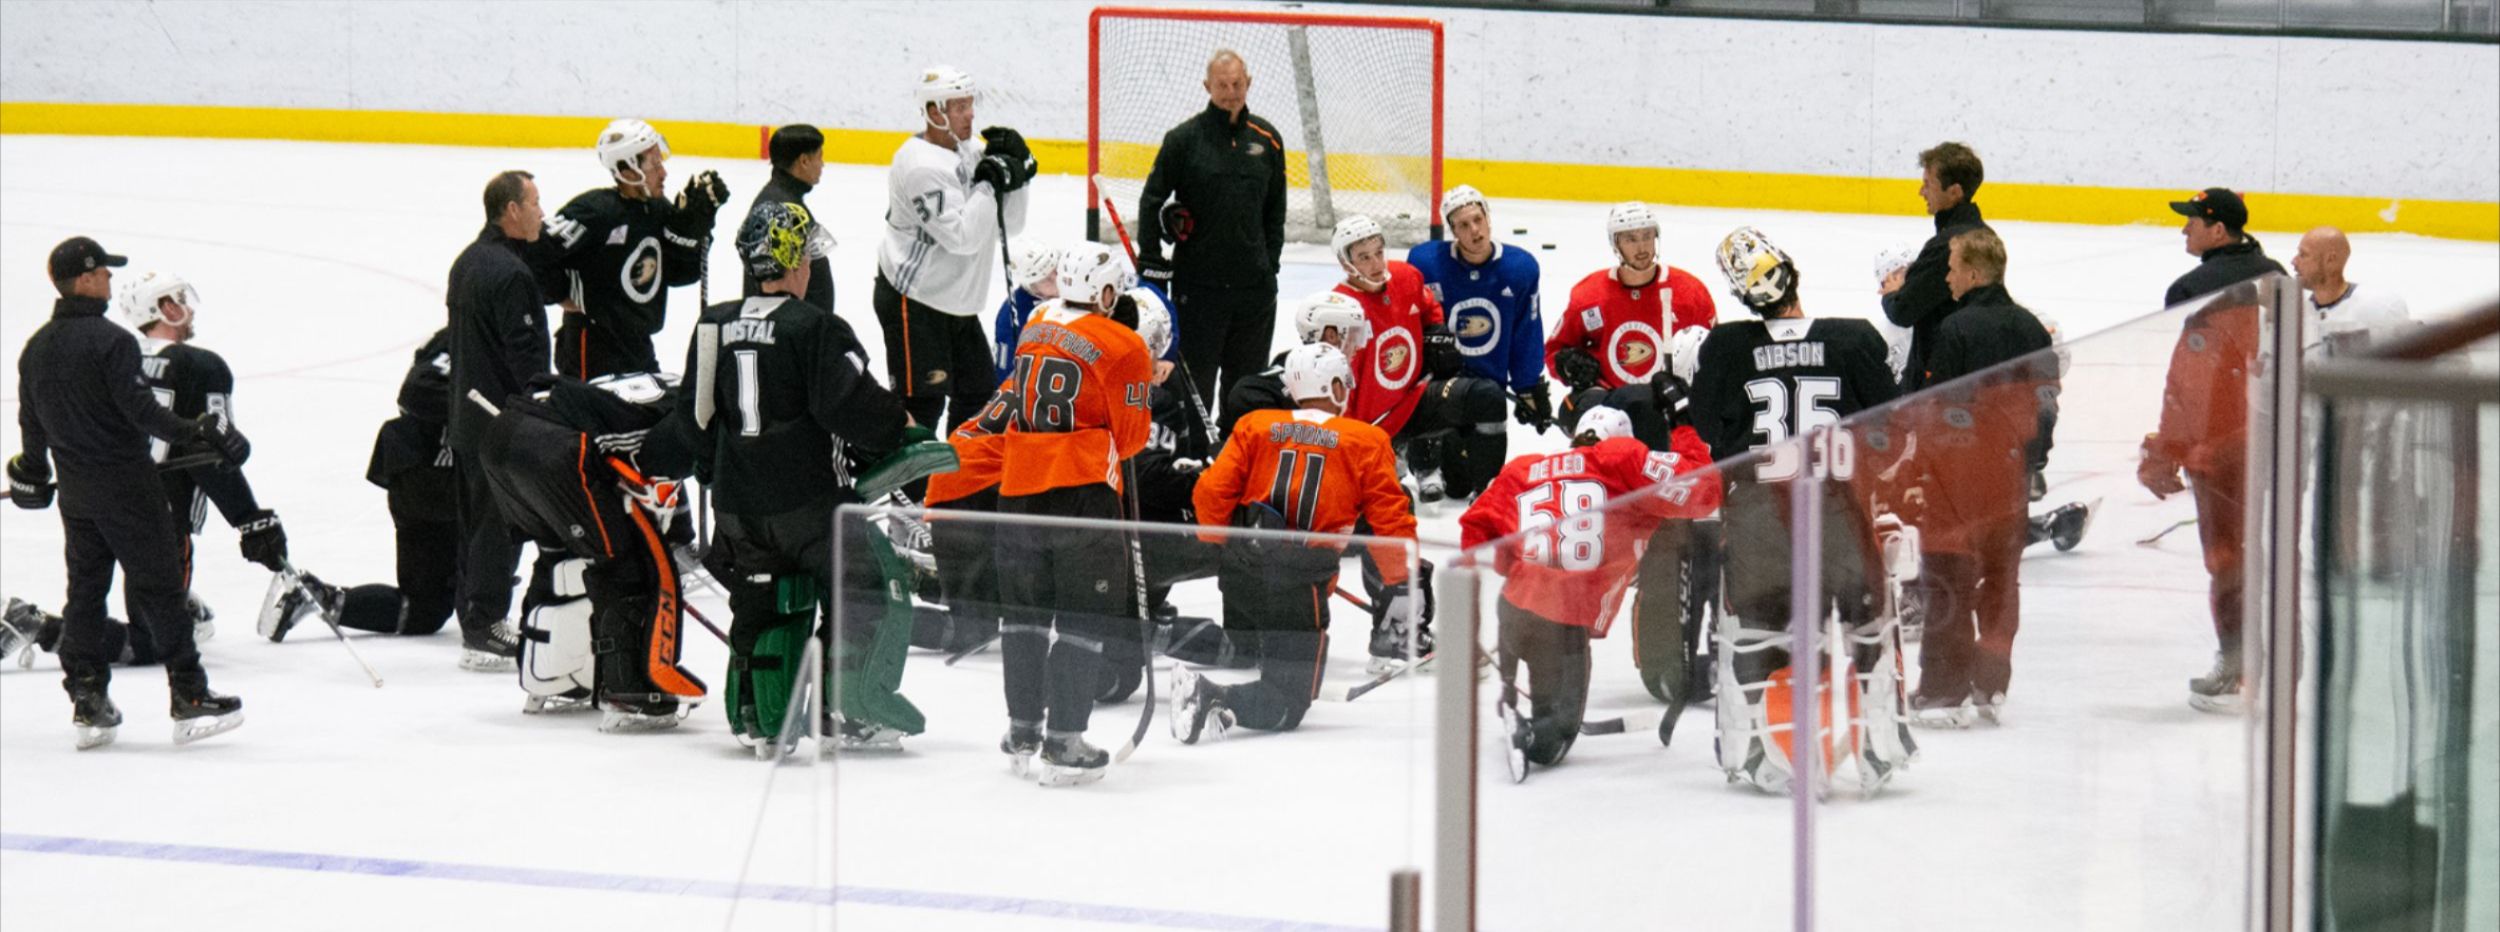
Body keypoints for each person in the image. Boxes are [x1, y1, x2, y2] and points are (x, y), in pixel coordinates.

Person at [680, 201, 925, 746]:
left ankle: (753, 715)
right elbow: (853, 406)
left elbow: (694, 420)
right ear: (793, 263)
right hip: (809, 505)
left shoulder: (712, 323)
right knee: (860, 588)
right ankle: (847, 712)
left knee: (758, 600)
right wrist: (898, 423)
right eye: (807, 256)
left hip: (738, 507)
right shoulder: (814, 328)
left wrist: (714, 471)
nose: (812, 266)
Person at [1687, 226, 1911, 795]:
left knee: (1762, 634)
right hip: (1838, 509)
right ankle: (1878, 745)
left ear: (1742, 297)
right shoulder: (1855, 339)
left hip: (1760, 515)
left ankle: (1762, 748)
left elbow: (1712, 432)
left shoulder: (1725, 348)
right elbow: (1888, 429)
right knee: (1864, 630)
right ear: (1794, 273)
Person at [10, 236, 248, 749]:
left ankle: (88, 700)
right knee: (160, 589)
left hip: (78, 495)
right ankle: (189, 695)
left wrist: (29, 472)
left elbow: (31, 422)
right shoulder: (111, 342)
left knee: (85, 595)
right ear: (88, 278)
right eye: (106, 274)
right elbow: (142, 412)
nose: (112, 282)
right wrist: (197, 430)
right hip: (129, 488)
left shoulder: (38, 347)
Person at [1172, 341, 1418, 744]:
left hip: (1241, 574)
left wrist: (1220, 542)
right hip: (1298, 585)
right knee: (1287, 702)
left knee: (1246, 648)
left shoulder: (1255, 425)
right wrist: (1400, 583)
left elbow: (1210, 493)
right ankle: (1207, 696)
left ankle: (1160, 631)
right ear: (1337, 387)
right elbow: (1391, 520)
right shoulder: (1364, 440)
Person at [1460, 405, 1719, 780]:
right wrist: (1684, 427)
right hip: (1563, 621)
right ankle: (1534, 731)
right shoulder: (1623, 459)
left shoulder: (1523, 468)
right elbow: (1704, 490)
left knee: (1543, 686)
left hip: (1512, 609)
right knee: (1555, 740)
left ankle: (1515, 704)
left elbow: (1477, 529)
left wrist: (1484, 598)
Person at [980, 243, 1153, 785]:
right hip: (1082, 495)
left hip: (1019, 489)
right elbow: (1130, 440)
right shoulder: (1125, 344)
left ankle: (1023, 728)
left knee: (1024, 614)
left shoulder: (1034, 323)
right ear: (1104, 293)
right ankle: (1065, 740)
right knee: (1083, 618)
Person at [1890, 229, 2055, 726]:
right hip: (2009, 474)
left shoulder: (1957, 328)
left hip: (1958, 478)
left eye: (1955, 266)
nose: (1948, 275)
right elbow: (2046, 405)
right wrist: (2032, 461)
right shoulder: (2032, 327)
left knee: (1949, 581)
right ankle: (1990, 683)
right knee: (2002, 580)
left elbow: (1939, 410)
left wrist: (1920, 468)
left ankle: (1943, 691)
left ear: (1976, 274)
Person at [112, 272, 291, 644]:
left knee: (117, 600)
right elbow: (212, 454)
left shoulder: (114, 356)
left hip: (105, 501)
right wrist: (248, 517)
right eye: (180, 300)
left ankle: (177, 606)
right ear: (166, 308)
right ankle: (42, 629)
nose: (189, 310)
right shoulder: (200, 365)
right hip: (163, 511)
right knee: (156, 639)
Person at [875, 66, 1035, 433]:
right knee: (921, 406)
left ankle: (955, 485)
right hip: (913, 299)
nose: (971, 113)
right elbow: (963, 237)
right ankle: (911, 490)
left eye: (970, 103)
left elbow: (1008, 226)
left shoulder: (971, 150)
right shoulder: (919, 165)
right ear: (935, 112)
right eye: (959, 106)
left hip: (957, 300)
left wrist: (1019, 177)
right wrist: (990, 183)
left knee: (978, 394)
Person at [1135, 49, 1288, 409]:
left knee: (1247, 391)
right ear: (1207, 86)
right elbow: (1151, 199)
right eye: (1222, 84)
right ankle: (1194, 461)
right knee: (1193, 390)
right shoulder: (1184, 139)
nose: (1230, 91)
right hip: (1198, 291)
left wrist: (1271, 265)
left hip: (1254, 292)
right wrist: (1152, 261)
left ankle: (1240, 457)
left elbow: (1275, 209)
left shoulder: (1268, 139)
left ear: (1248, 83)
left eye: (1237, 83)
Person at [448, 169, 552, 671]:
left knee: (477, 518)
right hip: (499, 418)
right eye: (533, 202)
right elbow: (525, 357)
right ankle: (485, 624)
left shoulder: (469, 260)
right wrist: (544, 405)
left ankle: (472, 613)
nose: (540, 211)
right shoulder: (510, 274)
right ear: (511, 210)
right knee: (498, 522)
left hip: (467, 415)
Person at [540, 119, 728, 379]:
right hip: (591, 346)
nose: (663, 172)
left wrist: (693, 228)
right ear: (628, 171)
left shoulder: (658, 209)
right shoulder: (594, 211)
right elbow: (535, 253)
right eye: (654, 164)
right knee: (591, 417)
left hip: (639, 345)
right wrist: (562, 294)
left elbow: (678, 275)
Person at [1403, 186, 1549, 499]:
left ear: (1487, 218)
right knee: (1420, 387)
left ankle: (1484, 483)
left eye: (1478, 220)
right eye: (1463, 225)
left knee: (1461, 486)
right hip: (1439, 384)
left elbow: (1527, 329)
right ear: (1452, 231)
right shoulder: (1425, 263)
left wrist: (1527, 384)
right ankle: (1425, 464)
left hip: (1487, 388)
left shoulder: (1520, 268)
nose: (1474, 230)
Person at [1546, 202, 1715, 433]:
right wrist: (1566, 364)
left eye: (1647, 236)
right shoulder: (1589, 295)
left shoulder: (1689, 292)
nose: (1642, 246)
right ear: (1616, 244)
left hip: (1671, 406)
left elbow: (1715, 357)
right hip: (1611, 407)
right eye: (1630, 239)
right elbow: (1554, 351)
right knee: (1578, 408)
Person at [1879, 141, 1992, 392]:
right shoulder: (1986, 236)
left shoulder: (1947, 247)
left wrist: (1892, 293)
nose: (1921, 191)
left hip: (1941, 379)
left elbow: (1903, 311)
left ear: (1954, 192)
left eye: (1928, 184)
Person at [743, 124, 837, 312]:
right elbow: (770, 286)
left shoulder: (784, 200)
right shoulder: (780, 211)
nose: (823, 164)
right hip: (792, 330)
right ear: (804, 161)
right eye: (819, 157)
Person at [2292, 226, 2412, 360]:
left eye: (2303, 255)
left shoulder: (2378, 309)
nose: (2294, 262)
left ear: (2330, 260)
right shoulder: (2295, 315)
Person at [2165, 187, 2286, 307]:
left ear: (2218, 230)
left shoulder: (2186, 290)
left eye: (2192, 223)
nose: (2184, 231)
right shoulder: (2276, 272)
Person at [990, 243, 1059, 384]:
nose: (1056, 279)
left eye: (1056, 270)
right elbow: (1005, 369)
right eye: (1046, 279)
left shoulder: (1056, 295)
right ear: (1032, 285)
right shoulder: (1014, 315)